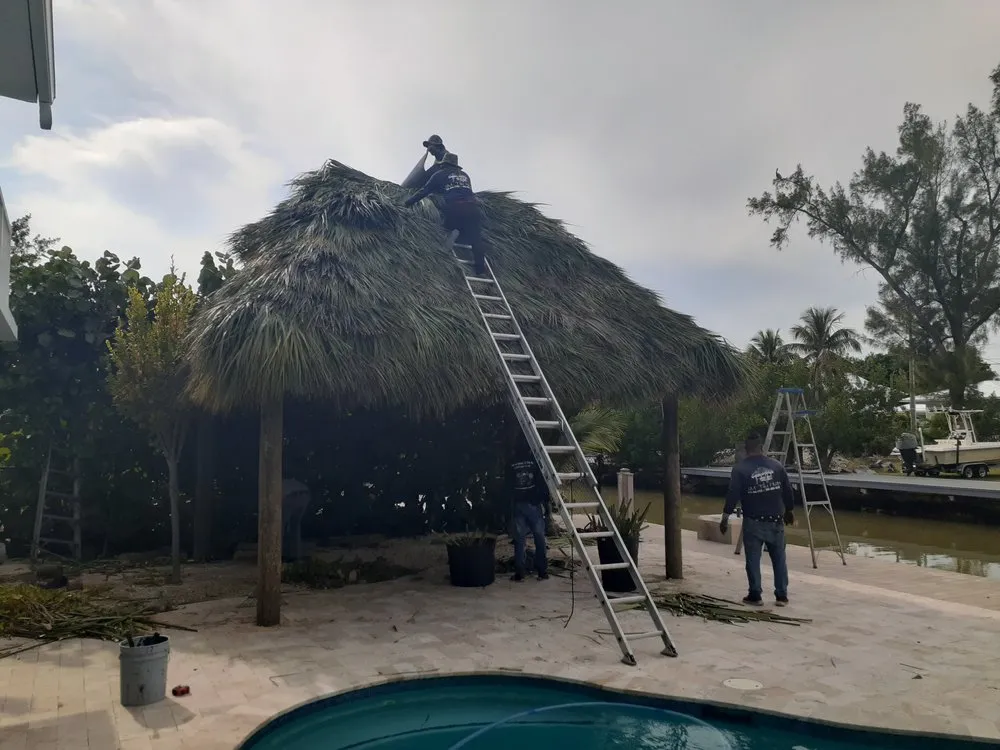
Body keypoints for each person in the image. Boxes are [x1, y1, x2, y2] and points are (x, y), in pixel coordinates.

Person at [720, 432, 795, 607]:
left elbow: (733, 494)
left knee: (753, 560)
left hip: (753, 521)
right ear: (762, 448)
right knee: (779, 559)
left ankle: (756, 595)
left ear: (746, 450)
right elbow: (788, 491)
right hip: (776, 520)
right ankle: (781, 596)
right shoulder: (777, 466)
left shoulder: (740, 469)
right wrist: (789, 510)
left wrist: (725, 516)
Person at [403, 151, 487, 276]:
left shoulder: (439, 175)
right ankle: (480, 270)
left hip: (455, 208)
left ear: (444, 164)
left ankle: (453, 231)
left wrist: (408, 203)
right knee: (476, 239)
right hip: (472, 209)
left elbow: (424, 191)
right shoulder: (465, 175)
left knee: (446, 227)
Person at [508, 441, 550, 581]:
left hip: (519, 505)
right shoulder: (535, 462)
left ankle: (520, 573)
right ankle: (542, 572)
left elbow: (506, 486)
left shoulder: (511, 462)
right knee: (539, 537)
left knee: (520, 540)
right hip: (533, 505)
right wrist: (541, 502)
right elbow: (542, 483)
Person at [281, 478, 311, 563]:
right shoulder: (292, 481)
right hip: (305, 495)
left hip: (290, 497)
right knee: (295, 525)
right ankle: (295, 555)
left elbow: (280, 496)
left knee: (280, 526)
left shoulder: (275, 481)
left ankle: (277, 554)